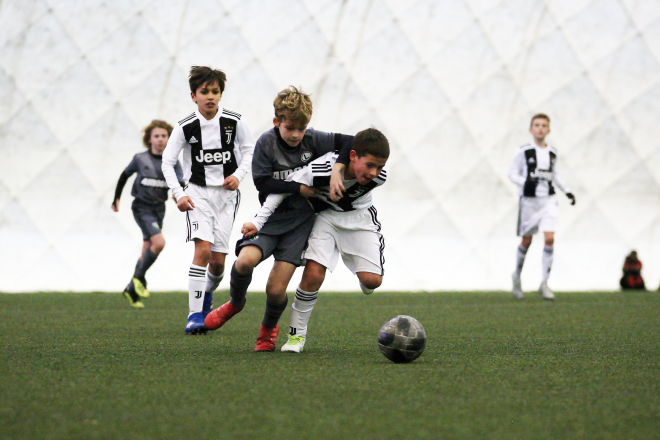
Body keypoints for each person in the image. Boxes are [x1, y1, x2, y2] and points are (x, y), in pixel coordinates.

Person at [203, 86, 352, 351]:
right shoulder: (266, 143)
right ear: (277, 122)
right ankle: (236, 303)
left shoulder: (315, 139)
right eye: (290, 127)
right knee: (244, 261)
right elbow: (262, 182)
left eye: (302, 127)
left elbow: (352, 143)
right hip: (271, 220)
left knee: (275, 290)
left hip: (300, 225)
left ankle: (268, 329)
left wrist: (338, 169)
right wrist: (298, 188)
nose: (296, 134)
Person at [241, 127, 389, 353]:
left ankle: (362, 272)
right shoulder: (321, 168)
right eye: (369, 165)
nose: (374, 172)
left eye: (379, 166)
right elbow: (281, 190)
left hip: (359, 221)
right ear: (352, 156)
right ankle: (295, 337)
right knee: (312, 274)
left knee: (372, 282)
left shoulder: (379, 178)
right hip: (326, 219)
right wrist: (258, 222)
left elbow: (361, 184)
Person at [161, 66, 255, 334]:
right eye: (204, 92)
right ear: (194, 96)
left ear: (221, 94)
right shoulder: (185, 126)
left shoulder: (235, 122)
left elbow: (249, 150)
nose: (210, 96)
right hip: (197, 194)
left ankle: (206, 296)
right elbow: (168, 163)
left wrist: (238, 175)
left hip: (226, 196)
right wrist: (179, 194)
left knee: (218, 262)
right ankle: (194, 315)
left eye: (215, 91)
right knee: (202, 252)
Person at [112, 120, 184, 308]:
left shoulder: (173, 161)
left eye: (164, 136)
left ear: (169, 139)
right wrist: (116, 198)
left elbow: (181, 182)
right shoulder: (140, 158)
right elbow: (124, 175)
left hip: (159, 208)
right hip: (142, 207)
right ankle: (138, 279)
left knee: (147, 249)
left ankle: (131, 289)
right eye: (156, 136)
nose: (160, 140)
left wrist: (180, 196)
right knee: (159, 243)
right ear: (149, 140)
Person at [509, 113, 575, 300]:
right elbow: (512, 173)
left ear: (548, 130)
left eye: (544, 125)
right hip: (529, 202)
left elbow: (554, 175)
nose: (540, 128)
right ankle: (517, 276)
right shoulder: (523, 151)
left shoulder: (552, 152)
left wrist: (567, 191)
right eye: (537, 125)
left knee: (549, 239)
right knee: (526, 241)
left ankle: (544, 282)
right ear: (531, 129)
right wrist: (524, 182)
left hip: (548, 201)